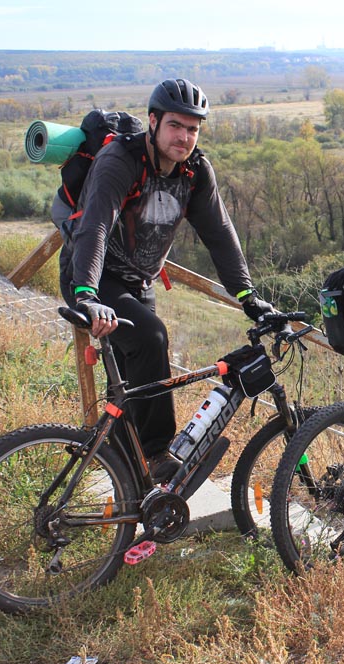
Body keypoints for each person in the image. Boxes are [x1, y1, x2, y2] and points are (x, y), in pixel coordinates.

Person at [57, 77, 276, 480]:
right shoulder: (121, 160)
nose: (184, 137)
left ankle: (128, 475)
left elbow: (219, 234)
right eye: (175, 125)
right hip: (92, 277)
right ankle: (157, 455)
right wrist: (87, 294)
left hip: (139, 283)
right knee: (151, 338)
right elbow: (95, 227)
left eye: (193, 129)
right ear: (153, 122)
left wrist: (248, 295)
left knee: (135, 382)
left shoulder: (195, 172)